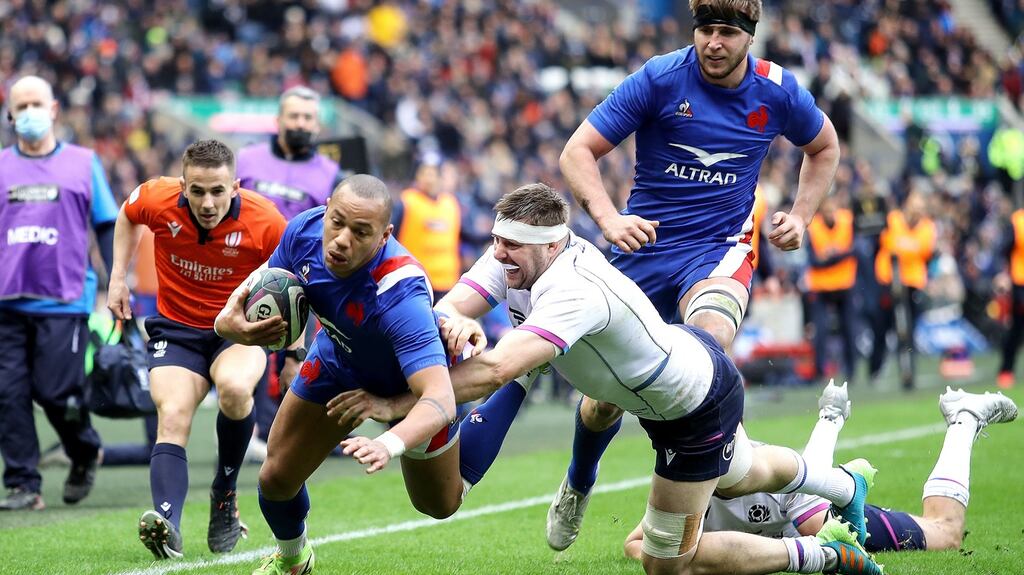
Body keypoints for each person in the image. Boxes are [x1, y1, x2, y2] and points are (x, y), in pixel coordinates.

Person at [336, 184, 880, 575]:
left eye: (512, 247)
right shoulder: (517, 252)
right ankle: (843, 485)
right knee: (745, 473)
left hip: (693, 409)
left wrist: (398, 403)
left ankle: (825, 556)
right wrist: (454, 323)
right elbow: (456, 302)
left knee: (666, 564)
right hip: (671, 381)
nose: (498, 255)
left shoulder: (573, 289)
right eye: (497, 242)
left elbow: (499, 369)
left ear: (552, 245)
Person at [554, 0, 840, 549]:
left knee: (707, 349)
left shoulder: (777, 91)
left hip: (720, 248)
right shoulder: (661, 77)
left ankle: (685, 500)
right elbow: (577, 152)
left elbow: (823, 146)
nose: (714, 42)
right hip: (644, 249)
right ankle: (578, 482)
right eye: (706, 30)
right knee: (603, 401)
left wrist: (802, 216)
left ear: (749, 38)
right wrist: (610, 219)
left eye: (726, 33)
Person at [216, 174, 524, 575]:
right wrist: (231, 326)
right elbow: (260, 296)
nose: (342, 239)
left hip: (406, 384)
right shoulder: (305, 231)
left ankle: (520, 379)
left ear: (384, 235)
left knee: (439, 504)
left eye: (361, 232)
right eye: (337, 222)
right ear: (326, 209)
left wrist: (390, 441)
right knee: (275, 478)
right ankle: (294, 560)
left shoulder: (401, 294)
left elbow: (441, 398)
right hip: (337, 359)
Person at [107, 139, 287, 559]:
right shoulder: (156, 196)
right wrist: (119, 277)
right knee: (171, 415)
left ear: (236, 186)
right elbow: (127, 215)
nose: (208, 202)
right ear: (183, 186)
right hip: (177, 328)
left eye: (218, 191)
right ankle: (166, 523)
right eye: (198, 191)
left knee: (236, 388)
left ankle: (223, 496)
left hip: (237, 331)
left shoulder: (267, 221)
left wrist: (293, 352)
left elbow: (295, 277)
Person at [623, 382, 1018, 562]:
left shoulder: (766, 467)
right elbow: (636, 544)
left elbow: (822, 534)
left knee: (946, 531)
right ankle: (830, 418)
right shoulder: (684, 476)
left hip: (826, 516)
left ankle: (964, 418)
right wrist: (687, 552)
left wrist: (709, 554)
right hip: (804, 504)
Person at [0, 75, 116, 511]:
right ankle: (23, 485)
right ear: (10, 114)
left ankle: (84, 449)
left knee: (56, 394)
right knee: (7, 395)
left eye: (36, 103)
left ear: (53, 109)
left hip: (65, 298)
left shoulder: (84, 163)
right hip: (7, 300)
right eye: (20, 105)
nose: (28, 112)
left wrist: (115, 281)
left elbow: (107, 223)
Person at [237, 85, 342, 453]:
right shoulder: (246, 160)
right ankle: (253, 431)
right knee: (246, 356)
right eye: (294, 116)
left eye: (307, 118)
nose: (300, 123)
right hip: (245, 277)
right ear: (278, 120)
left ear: (317, 125)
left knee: (301, 358)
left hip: (304, 284)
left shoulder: (331, 173)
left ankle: (297, 434)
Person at [869, 190, 936, 386]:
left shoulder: (927, 228)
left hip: (912, 284)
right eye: (914, 206)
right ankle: (875, 370)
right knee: (881, 328)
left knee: (909, 331)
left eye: (921, 209)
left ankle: (908, 372)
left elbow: (926, 254)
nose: (917, 212)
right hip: (888, 281)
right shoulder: (892, 220)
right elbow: (881, 246)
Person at [393, 157, 463, 300]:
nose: (429, 178)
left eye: (433, 174)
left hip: (446, 282)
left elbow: (464, 234)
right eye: (424, 173)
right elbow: (391, 236)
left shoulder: (450, 203)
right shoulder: (407, 202)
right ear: (417, 176)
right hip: (415, 281)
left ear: (440, 177)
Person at [804, 195, 858, 381]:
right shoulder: (814, 227)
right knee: (820, 331)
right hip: (822, 287)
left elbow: (856, 249)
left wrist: (831, 257)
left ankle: (852, 371)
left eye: (831, 209)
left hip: (844, 284)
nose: (829, 214)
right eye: (826, 210)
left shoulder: (847, 220)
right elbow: (813, 262)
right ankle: (819, 371)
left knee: (849, 329)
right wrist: (837, 257)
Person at [997, 205, 1024, 389]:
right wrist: (1003, 274)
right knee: (1017, 329)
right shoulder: (1018, 222)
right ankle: (1006, 369)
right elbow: (1002, 250)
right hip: (1020, 283)